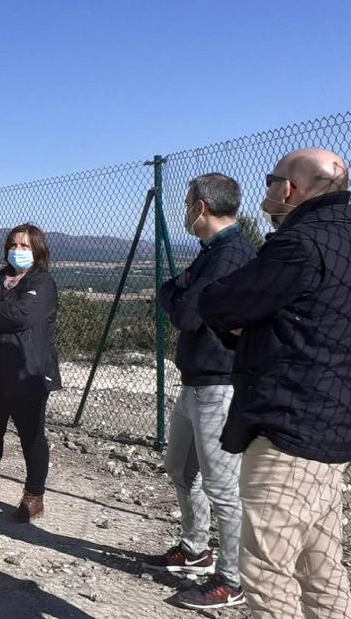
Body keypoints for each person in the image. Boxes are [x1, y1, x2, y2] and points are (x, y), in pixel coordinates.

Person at [199, 148, 351, 619]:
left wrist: (255, 323)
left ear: (288, 188)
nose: (266, 189)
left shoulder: (299, 243)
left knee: (267, 571)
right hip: (335, 426)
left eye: (271, 179)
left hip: (290, 426)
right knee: (321, 568)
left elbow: (220, 304)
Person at [144, 173, 254, 610]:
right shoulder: (214, 253)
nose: (186, 209)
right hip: (195, 382)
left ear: (201, 207)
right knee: (180, 470)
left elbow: (186, 314)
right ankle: (195, 550)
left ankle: (232, 577)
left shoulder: (230, 255)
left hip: (219, 382)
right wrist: (177, 290)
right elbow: (171, 292)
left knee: (223, 487)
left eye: (188, 202)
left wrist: (179, 289)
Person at [0, 223, 60, 524]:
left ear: (37, 251)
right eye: (13, 245)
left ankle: (34, 497)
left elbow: (24, 316)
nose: (17, 251)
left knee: (31, 438)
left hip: (27, 375)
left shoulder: (43, 283)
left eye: (24, 246)